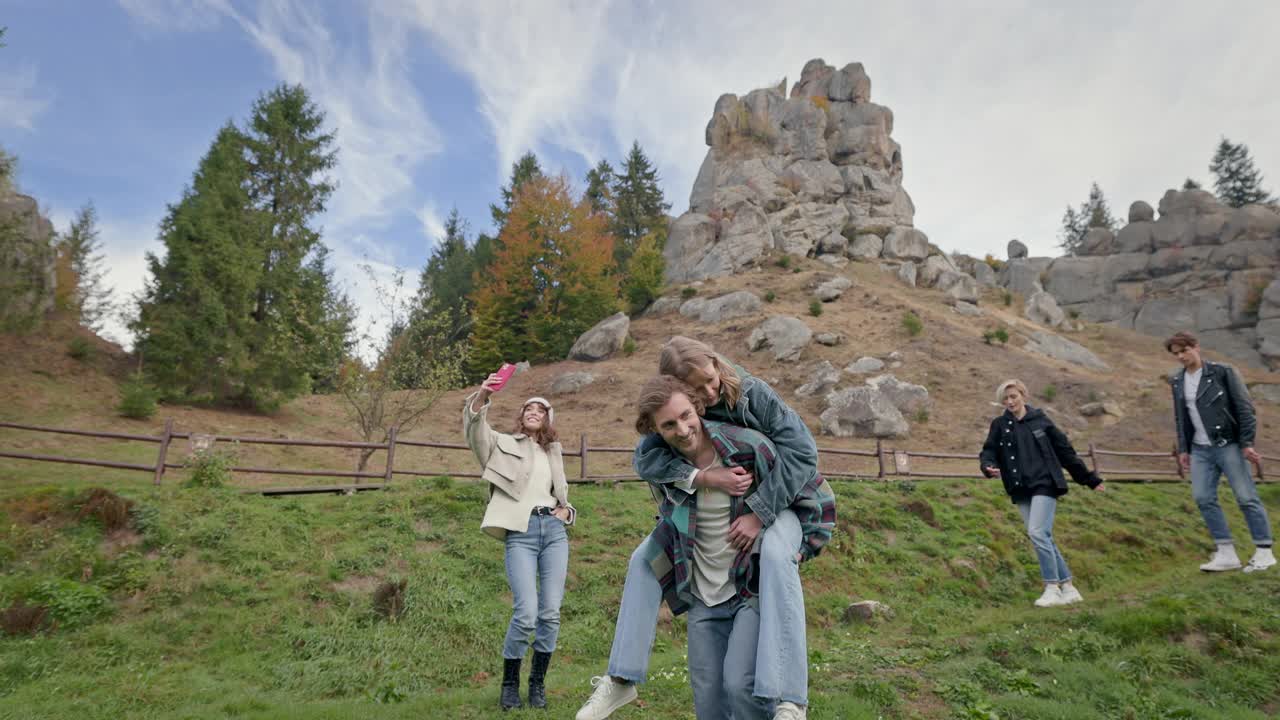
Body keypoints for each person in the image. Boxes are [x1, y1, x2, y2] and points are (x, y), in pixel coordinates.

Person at [576, 338, 824, 720]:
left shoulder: (749, 394)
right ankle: (621, 678)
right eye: (699, 388)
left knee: (775, 554)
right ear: (680, 389)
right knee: (642, 559)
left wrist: (758, 511)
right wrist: (703, 477)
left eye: (710, 380)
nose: (711, 391)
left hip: (785, 501)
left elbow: (803, 452)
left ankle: (792, 698)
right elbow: (644, 460)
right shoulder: (676, 416)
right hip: (709, 545)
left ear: (715, 362)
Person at [634, 376, 835, 719]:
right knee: (708, 698)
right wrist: (703, 479)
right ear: (655, 430)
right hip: (701, 594)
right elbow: (648, 474)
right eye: (669, 425)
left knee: (742, 685)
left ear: (698, 408)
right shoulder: (665, 469)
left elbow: (809, 487)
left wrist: (806, 542)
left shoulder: (748, 446)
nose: (682, 430)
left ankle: (791, 700)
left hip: (748, 587)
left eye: (685, 416)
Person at [464, 370, 577, 711]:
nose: (533, 412)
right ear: (521, 415)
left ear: (547, 419)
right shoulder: (502, 444)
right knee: (526, 613)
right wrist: (483, 395)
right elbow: (475, 432)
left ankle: (537, 685)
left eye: (540, 410)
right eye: (529, 408)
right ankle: (510, 684)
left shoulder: (553, 452)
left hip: (554, 533)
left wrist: (567, 513)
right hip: (522, 533)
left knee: (551, 614)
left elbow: (563, 497)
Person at [980, 379, 1105, 607]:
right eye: (1005, 399)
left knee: (1037, 531)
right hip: (1019, 487)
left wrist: (1089, 479)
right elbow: (989, 451)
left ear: (1023, 395)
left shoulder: (1041, 421)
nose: (1009, 402)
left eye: (1013, 396)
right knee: (1043, 536)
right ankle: (1068, 587)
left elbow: (1065, 452)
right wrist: (987, 466)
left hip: (1045, 483)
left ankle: (1051, 587)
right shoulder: (1000, 425)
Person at [1166, 331, 1275, 572]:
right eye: (1176, 354)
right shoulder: (1177, 381)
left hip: (1229, 444)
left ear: (1196, 347)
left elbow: (1245, 409)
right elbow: (1180, 417)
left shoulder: (1222, 372)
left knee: (1246, 497)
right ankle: (1226, 553)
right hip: (1200, 449)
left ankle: (1264, 551)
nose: (1181, 356)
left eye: (1184, 350)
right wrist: (1184, 448)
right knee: (1203, 497)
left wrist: (1247, 443)